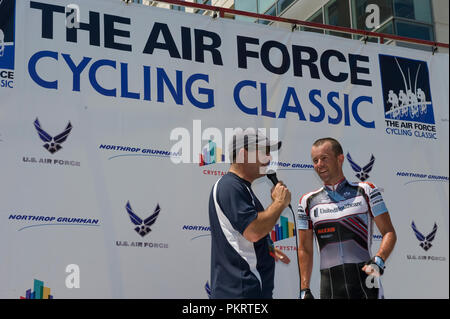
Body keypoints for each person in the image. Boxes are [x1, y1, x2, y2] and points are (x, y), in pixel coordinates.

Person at [297, 137, 397, 299]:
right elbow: (305, 249)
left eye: (324, 158)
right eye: (315, 160)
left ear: (340, 159)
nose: (319, 164)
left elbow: (389, 232)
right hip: (330, 287)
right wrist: (304, 289)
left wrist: (379, 260)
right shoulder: (307, 201)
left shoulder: (366, 190)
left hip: (366, 283)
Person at [208, 128, 292, 299]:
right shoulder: (230, 186)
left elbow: (244, 235)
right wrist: (279, 203)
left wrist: (267, 249)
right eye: (263, 152)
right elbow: (253, 231)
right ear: (243, 154)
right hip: (240, 293)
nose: (269, 158)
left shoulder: (241, 188)